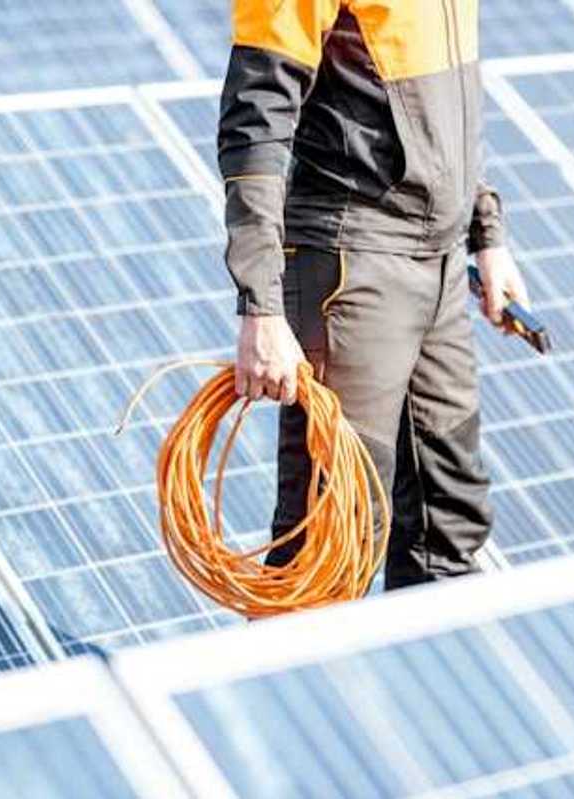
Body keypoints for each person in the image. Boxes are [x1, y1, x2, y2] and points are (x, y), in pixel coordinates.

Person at [217, 0, 529, 589]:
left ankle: (427, 674)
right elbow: (254, 121)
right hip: (353, 262)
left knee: (450, 521)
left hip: (438, 262)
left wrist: (486, 231)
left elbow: (449, 105)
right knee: (334, 534)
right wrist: (261, 304)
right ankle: (293, 679)